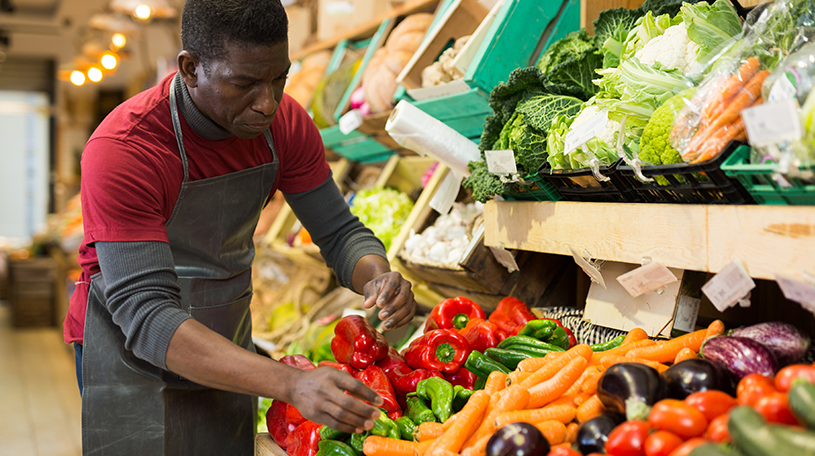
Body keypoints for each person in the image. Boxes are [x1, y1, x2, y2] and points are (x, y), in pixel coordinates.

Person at [62, 0, 417, 454]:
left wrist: (378, 275)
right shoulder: (126, 150)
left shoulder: (286, 124)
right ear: (190, 69)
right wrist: (288, 383)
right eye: (244, 84)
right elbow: (148, 316)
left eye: (278, 78)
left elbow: (338, 231)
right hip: (129, 353)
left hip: (224, 338)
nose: (267, 102)